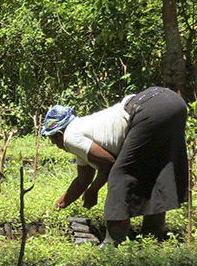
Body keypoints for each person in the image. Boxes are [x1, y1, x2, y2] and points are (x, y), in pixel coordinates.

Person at [41, 87, 188, 245]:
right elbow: (82, 181)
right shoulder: (81, 130)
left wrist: (94, 189)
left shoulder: (70, 137)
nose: (54, 145)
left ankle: (113, 243)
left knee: (120, 175)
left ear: (59, 134)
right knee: (154, 172)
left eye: (52, 140)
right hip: (172, 101)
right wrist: (58, 207)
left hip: (148, 109)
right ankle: (152, 237)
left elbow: (109, 164)